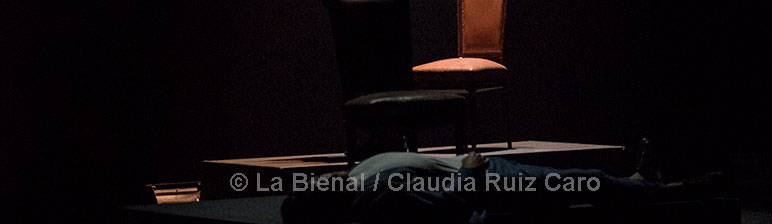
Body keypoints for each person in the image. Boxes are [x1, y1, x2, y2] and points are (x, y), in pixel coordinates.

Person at [281, 148, 730, 222]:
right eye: (316, 186)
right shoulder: (376, 198)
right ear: (326, 201)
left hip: (489, 170)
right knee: (585, 183)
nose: (319, 178)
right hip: (493, 182)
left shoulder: (356, 178)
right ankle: (672, 191)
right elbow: (450, 204)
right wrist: (471, 170)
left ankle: (636, 183)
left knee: (583, 182)